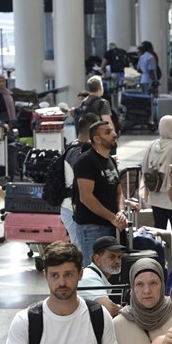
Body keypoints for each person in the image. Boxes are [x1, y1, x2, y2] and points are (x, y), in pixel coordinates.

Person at [2, 241, 122, 344]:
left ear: (80, 274)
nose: (62, 282)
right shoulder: (26, 321)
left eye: (68, 274)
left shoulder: (99, 316)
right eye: (54, 275)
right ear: (45, 275)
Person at [73, 120, 127, 266]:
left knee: (111, 271)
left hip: (111, 226)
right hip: (92, 228)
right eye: (108, 132)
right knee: (94, 270)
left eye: (113, 130)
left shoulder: (110, 161)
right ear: (97, 139)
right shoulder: (86, 161)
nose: (114, 135)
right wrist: (112, 218)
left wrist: (121, 213)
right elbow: (86, 197)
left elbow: (119, 192)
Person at [141, 115, 172, 230]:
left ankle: (160, 249)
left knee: (158, 231)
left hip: (155, 196)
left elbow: (144, 167)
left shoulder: (152, 146)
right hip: (171, 198)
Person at [59, 113, 95, 243]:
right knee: (81, 250)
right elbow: (83, 173)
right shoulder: (76, 152)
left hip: (74, 208)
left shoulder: (80, 149)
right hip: (72, 209)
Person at [77, 235, 125, 317]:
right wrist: (123, 308)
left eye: (119, 257)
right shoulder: (89, 278)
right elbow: (110, 309)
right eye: (112, 257)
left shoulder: (94, 275)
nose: (117, 261)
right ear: (97, 259)